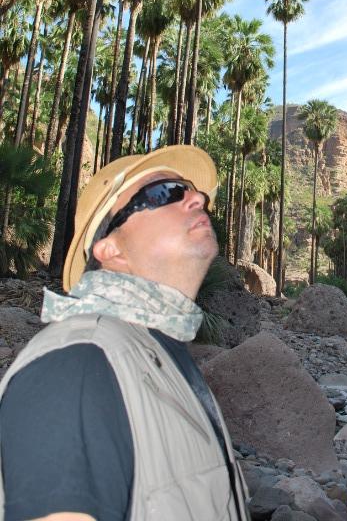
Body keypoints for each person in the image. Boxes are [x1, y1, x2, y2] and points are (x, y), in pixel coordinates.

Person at [0, 145, 249, 521]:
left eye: (192, 190)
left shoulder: (160, 358)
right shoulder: (78, 364)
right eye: (165, 191)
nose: (198, 198)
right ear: (110, 249)